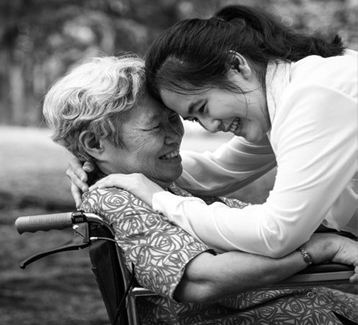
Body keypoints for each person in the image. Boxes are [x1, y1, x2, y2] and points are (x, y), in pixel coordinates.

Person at [43, 54, 358, 325]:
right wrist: (320, 248)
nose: (174, 135)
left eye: (174, 119)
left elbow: (232, 186)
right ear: (96, 143)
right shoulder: (116, 197)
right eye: (156, 126)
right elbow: (201, 280)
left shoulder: (160, 185)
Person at [84, 4, 358, 258]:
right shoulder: (284, 96)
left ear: (235, 66)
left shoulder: (314, 95)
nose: (211, 127)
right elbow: (218, 171)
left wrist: (158, 199)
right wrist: (103, 162)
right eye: (194, 119)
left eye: (203, 107)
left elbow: (275, 233)